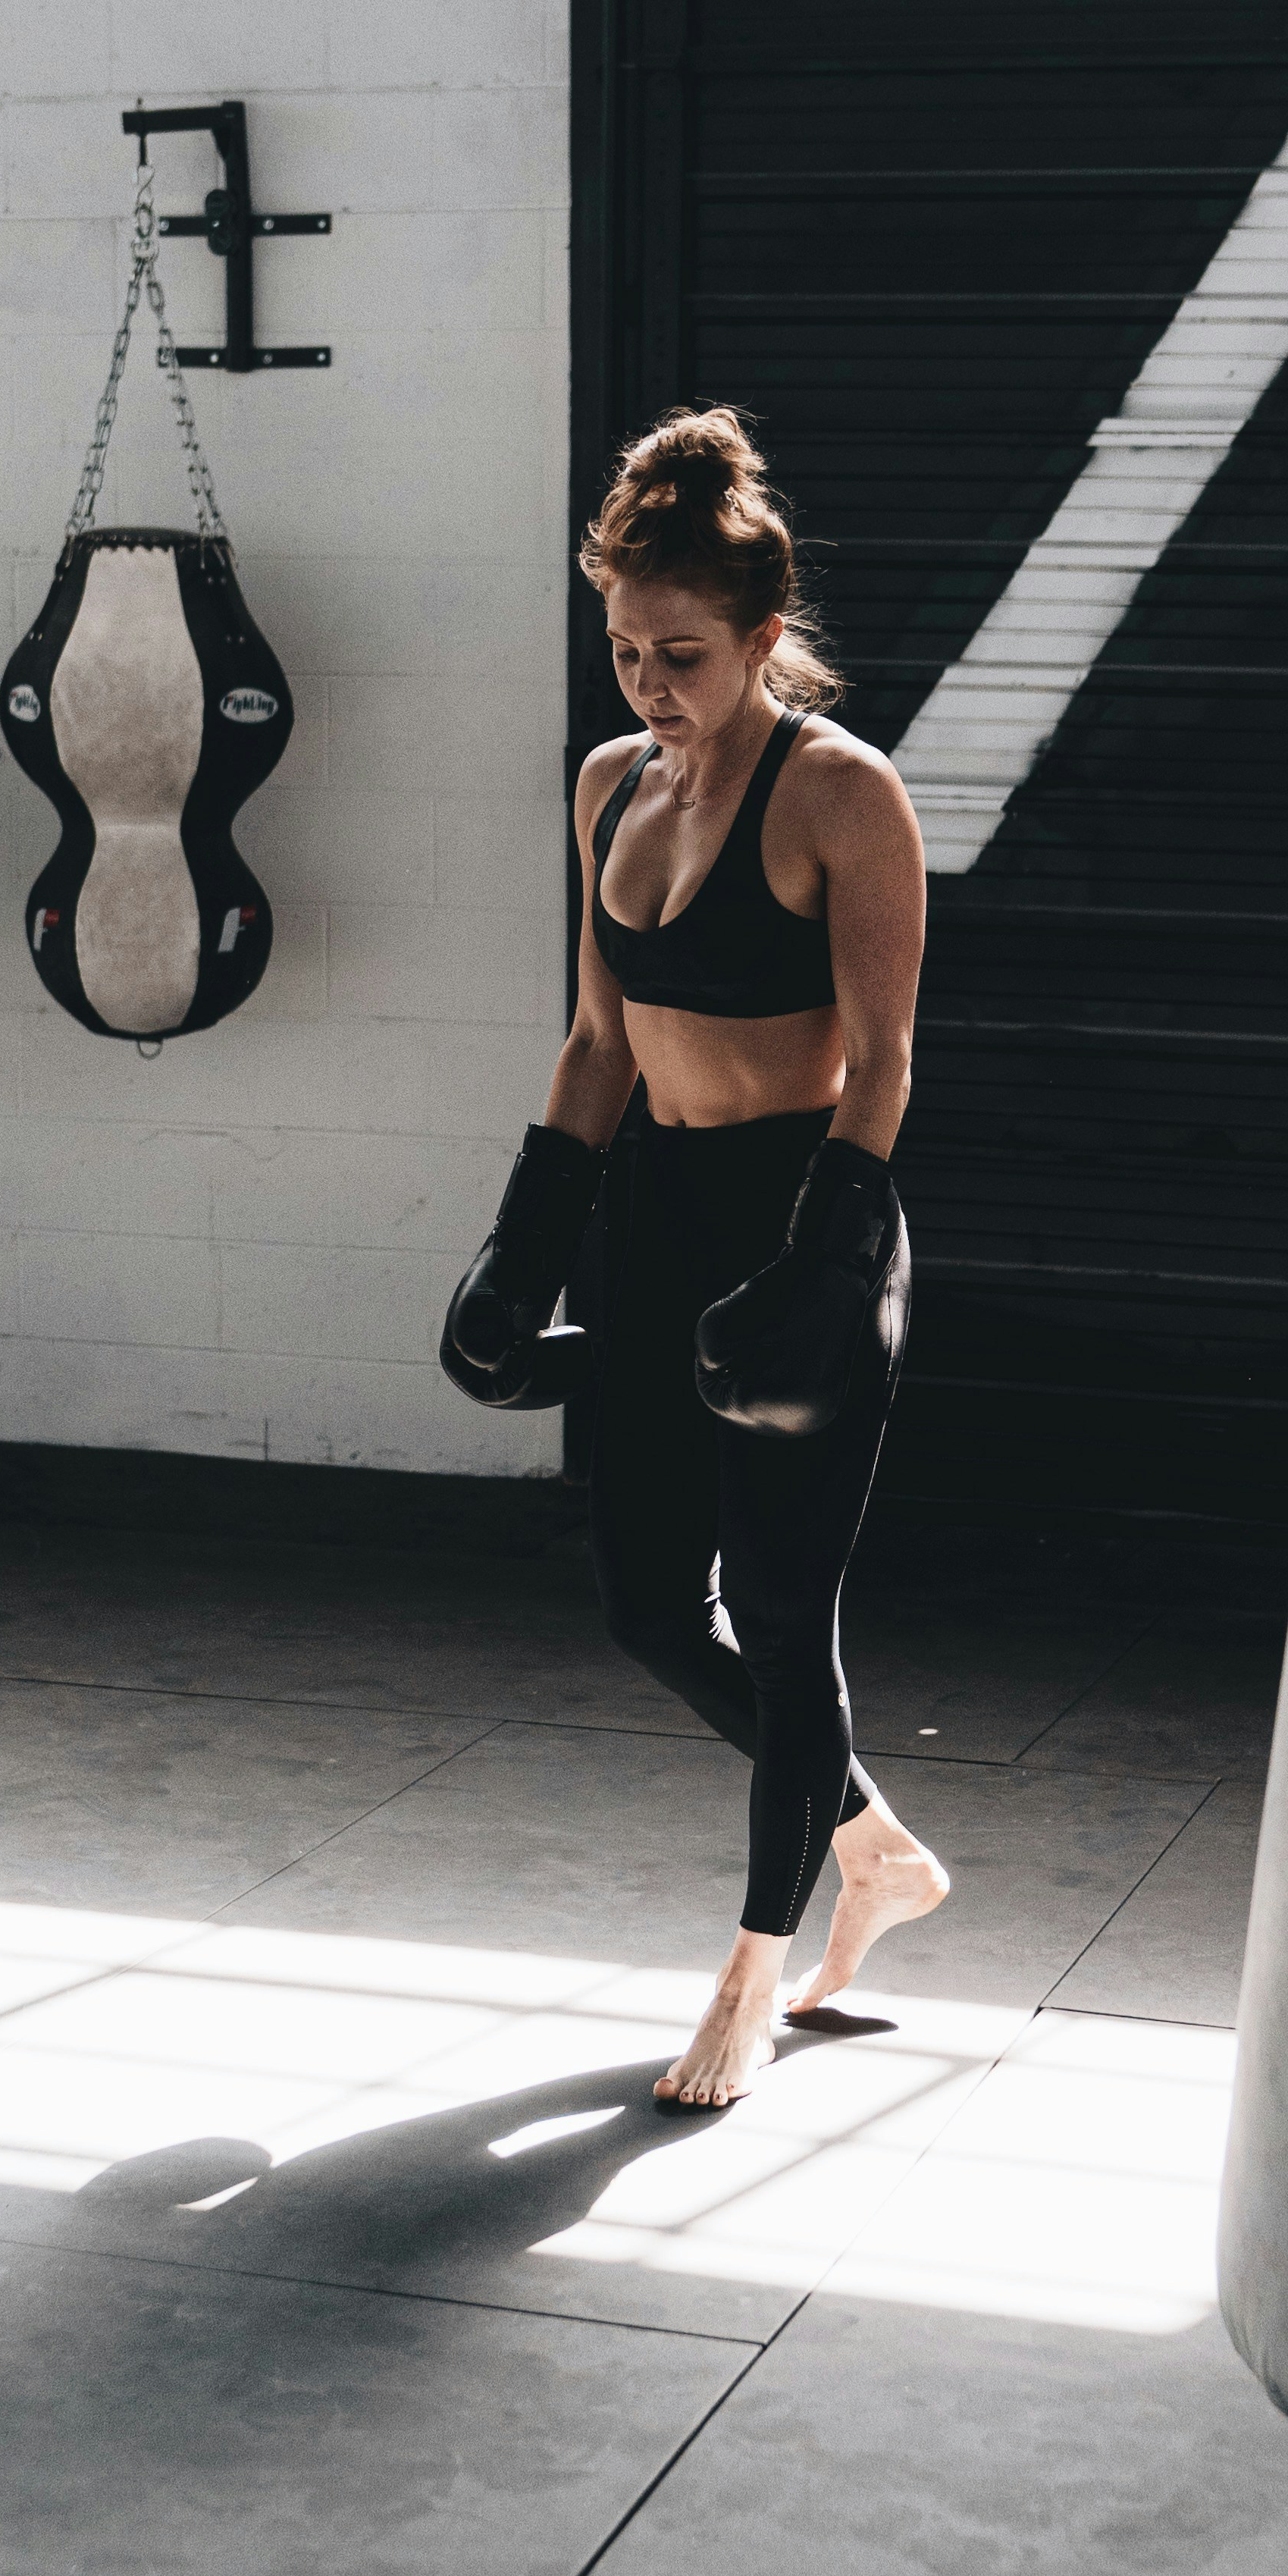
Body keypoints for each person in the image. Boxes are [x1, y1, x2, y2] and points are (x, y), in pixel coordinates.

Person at [437, 407, 947, 2107]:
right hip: (656, 1215)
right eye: (624, 651)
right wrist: (526, 1244)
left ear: (761, 634)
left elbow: (883, 1061)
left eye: (684, 656)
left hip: (800, 1226)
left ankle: (753, 1968)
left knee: (786, 1615)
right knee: (651, 1605)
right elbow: (601, 1039)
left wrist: (825, 1260)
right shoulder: (608, 785)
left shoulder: (842, 794)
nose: (651, 686)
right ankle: (872, 1844)